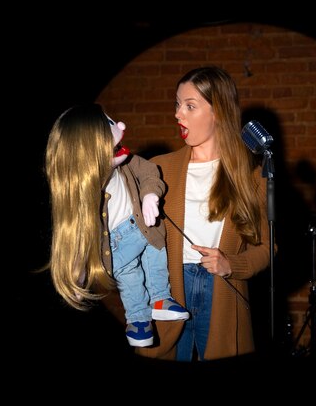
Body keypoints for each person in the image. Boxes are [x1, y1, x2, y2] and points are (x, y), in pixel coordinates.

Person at [133, 66, 273, 361]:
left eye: (190, 106)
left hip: (222, 289)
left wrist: (232, 264)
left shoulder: (250, 175)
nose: (177, 114)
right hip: (170, 288)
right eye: (177, 104)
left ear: (218, 112)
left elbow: (268, 247)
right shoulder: (157, 169)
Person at [44, 103, 188, 348]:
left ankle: (160, 299)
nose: (121, 126)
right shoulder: (82, 195)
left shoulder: (128, 163)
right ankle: (138, 320)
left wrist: (150, 195)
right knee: (129, 277)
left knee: (156, 251)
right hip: (116, 248)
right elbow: (78, 236)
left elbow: (150, 172)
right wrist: (77, 275)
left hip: (143, 227)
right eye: (110, 124)